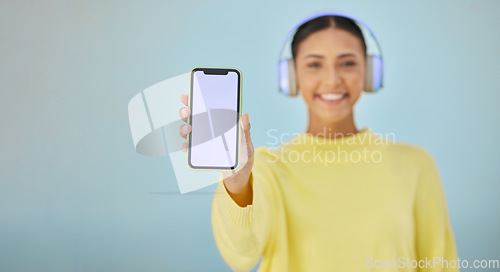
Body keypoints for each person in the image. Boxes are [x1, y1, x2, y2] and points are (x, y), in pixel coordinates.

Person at [178, 14, 459, 272]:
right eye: (314, 64)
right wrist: (237, 184)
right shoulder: (266, 169)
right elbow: (240, 256)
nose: (332, 79)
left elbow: (440, 264)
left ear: (369, 72)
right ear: (292, 77)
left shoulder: (415, 165)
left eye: (348, 63)